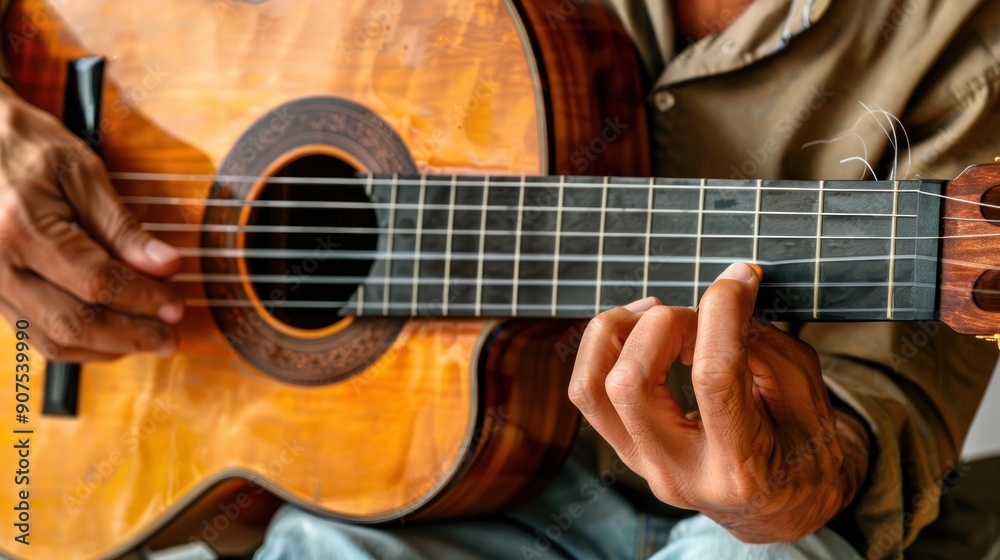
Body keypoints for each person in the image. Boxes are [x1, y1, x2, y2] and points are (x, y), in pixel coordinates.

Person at [0, 0, 996, 559]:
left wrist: (776, 484)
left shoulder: (967, 39)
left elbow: (878, 424)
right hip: (408, 478)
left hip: (735, 519)